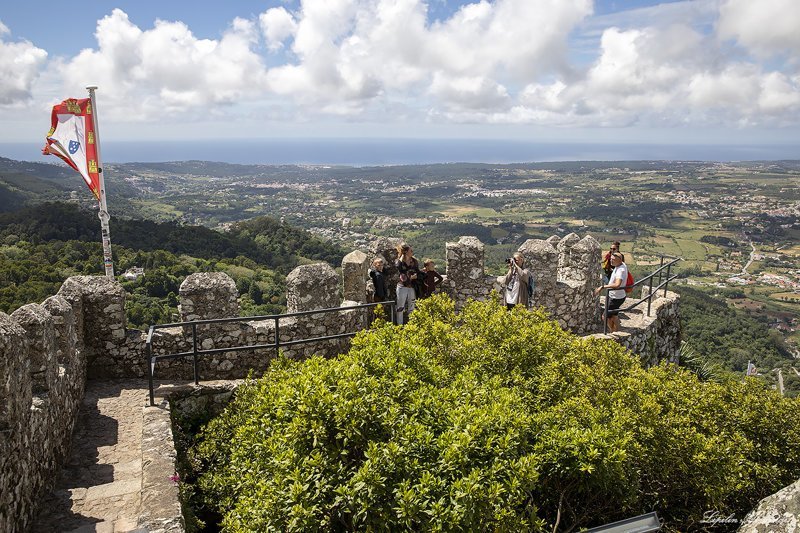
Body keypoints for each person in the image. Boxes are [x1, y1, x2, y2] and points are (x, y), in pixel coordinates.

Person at [594, 251, 628, 333]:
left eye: (613, 260)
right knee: (614, 316)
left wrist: (602, 287)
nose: (611, 261)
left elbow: (617, 285)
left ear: (619, 260)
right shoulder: (621, 265)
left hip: (615, 298)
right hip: (619, 296)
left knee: (605, 316)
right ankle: (617, 331)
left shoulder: (621, 271)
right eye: (611, 259)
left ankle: (612, 332)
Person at [394, 243, 421, 324]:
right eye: (411, 251)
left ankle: (411, 325)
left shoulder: (414, 261)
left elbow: (418, 271)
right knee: (400, 308)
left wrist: (416, 276)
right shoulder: (399, 262)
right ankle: (400, 326)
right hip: (402, 287)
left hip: (412, 286)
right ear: (406, 252)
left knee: (412, 307)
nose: (412, 252)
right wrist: (402, 257)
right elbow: (398, 269)